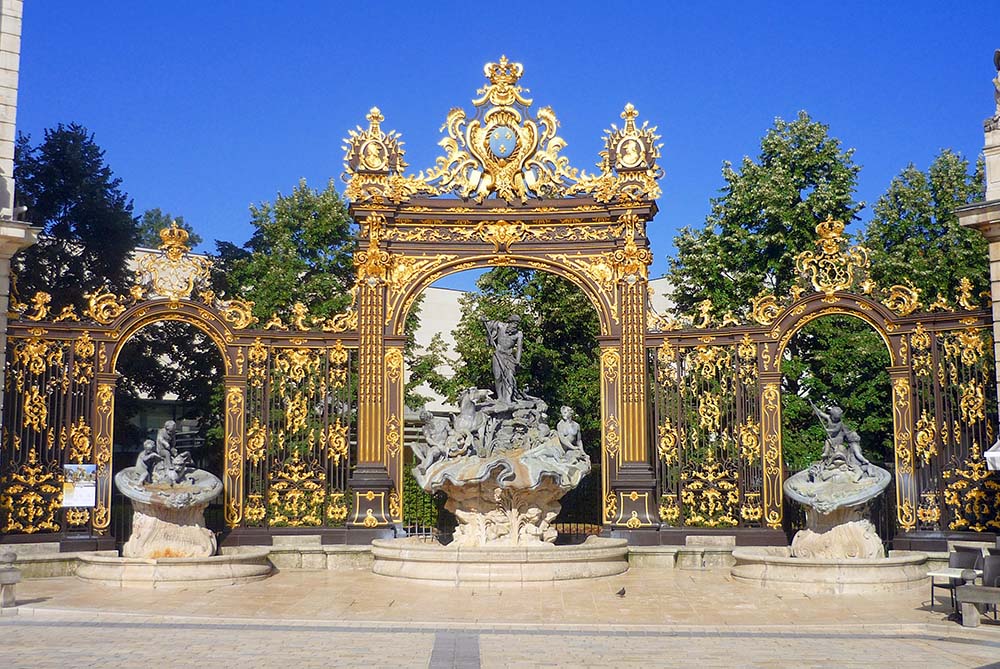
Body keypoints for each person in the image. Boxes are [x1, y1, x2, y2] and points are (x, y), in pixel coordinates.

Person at [482, 315, 523, 405]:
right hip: (498, 354)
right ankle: (500, 397)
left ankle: (508, 398)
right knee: (498, 377)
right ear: (510, 322)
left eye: (517, 324)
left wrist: (517, 361)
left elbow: (519, 348)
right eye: (514, 323)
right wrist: (484, 320)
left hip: (509, 357)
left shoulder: (519, 334)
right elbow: (488, 323)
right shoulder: (500, 326)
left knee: (509, 377)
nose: (515, 325)